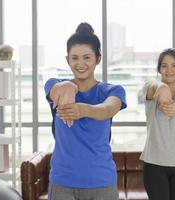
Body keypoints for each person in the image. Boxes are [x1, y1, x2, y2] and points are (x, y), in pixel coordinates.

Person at [44, 22, 127, 200]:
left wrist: (83, 110)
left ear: (98, 59)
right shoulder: (54, 85)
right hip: (62, 182)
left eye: (87, 57)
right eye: (74, 58)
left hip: (101, 182)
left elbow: (108, 109)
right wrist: (67, 86)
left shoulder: (112, 91)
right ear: (67, 60)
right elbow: (54, 89)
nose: (80, 64)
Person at [140, 48, 175, 200]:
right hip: (154, 164)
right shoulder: (150, 88)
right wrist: (162, 87)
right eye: (164, 65)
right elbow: (153, 87)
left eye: (174, 65)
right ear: (159, 69)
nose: (169, 70)